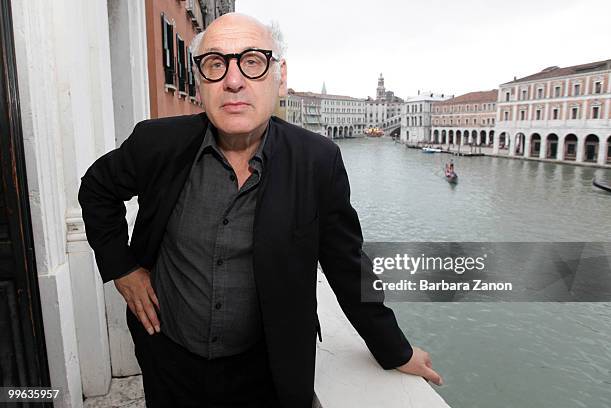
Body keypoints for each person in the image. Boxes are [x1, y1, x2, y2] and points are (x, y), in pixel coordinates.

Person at [78, 13, 442, 408]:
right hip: (167, 359)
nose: (233, 80)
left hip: (267, 370)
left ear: (279, 77)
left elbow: (346, 263)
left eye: (252, 61)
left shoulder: (317, 161)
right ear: (200, 83)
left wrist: (395, 350)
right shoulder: (157, 143)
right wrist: (123, 269)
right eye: (216, 64)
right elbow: (96, 189)